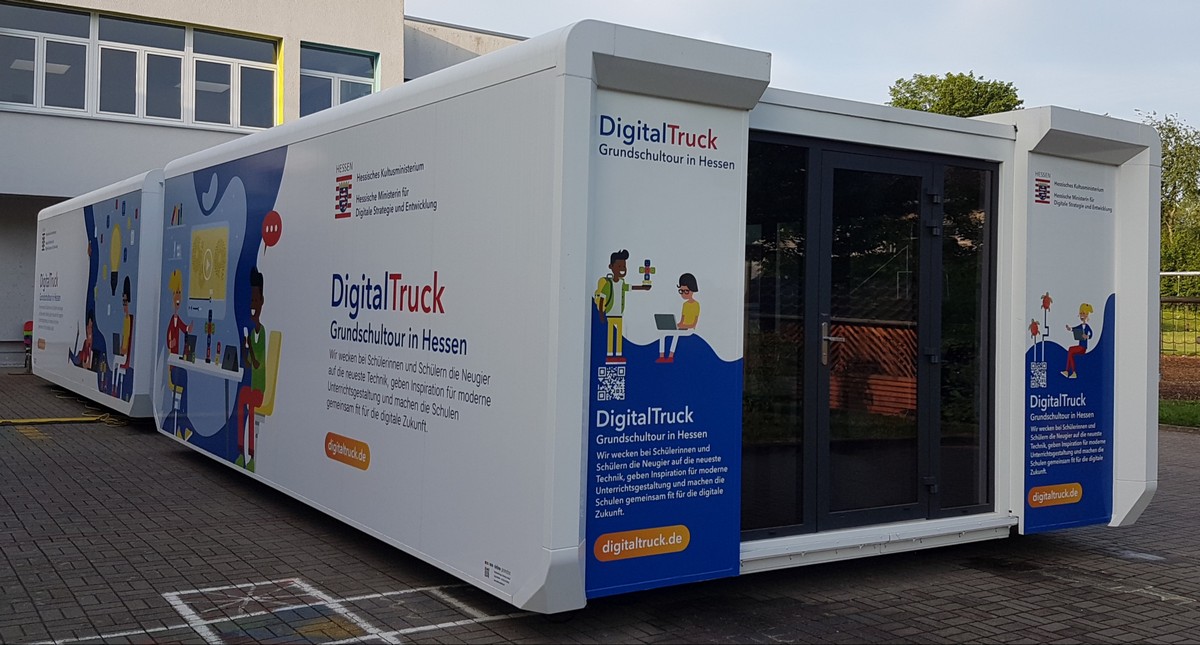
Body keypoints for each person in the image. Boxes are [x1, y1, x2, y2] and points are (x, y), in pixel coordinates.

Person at [594, 249, 650, 363]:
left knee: (619, 335)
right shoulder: (608, 284)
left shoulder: (621, 283)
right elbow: (602, 299)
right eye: (619, 266)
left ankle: (619, 354)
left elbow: (630, 287)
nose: (622, 269)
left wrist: (643, 287)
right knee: (611, 335)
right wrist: (601, 314)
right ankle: (610, 354)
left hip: (619, 314)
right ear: (611, 267)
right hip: (610, 314)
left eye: (624, 266)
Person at [236, 267, 267, 472]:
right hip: (252, 387)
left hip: (261, 389)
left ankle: (252, 456)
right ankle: (241, 452)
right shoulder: (253, 332)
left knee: (250, 403)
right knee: (242, 400)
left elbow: (257, 364)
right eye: (251, 301)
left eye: (256, 301)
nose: (253, 305)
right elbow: (247, 364)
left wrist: (252, 351)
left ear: (262, 302)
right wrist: (244, 347)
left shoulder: (262, 332)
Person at [658, 273, 700, 363]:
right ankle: (662, 356)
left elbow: (694, 324)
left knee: (676, 334)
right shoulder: (685, 305)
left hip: (689, 328)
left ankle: (670, 356)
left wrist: (683, 326)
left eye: (686, 291)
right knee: (662, 333)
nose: (683, 294)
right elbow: (682, 320)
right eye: (681, 291)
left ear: (692, 290)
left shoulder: (696, 305)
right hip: (682, 327)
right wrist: (676, 325)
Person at [1062, 302, 1093, 378]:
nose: (1081, 315)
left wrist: (1087, 336)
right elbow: (1074, 329)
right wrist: (1069, 328)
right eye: (1081, 313)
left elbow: (1091, 334)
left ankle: (1070, 371)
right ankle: (1070, 372)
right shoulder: (1080, 326)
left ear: (1087, 315)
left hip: (1083, 347)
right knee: (1070, 353)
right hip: (1080, 346)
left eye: (1083, 313)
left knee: (1070, 350)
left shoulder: (1087, 326)